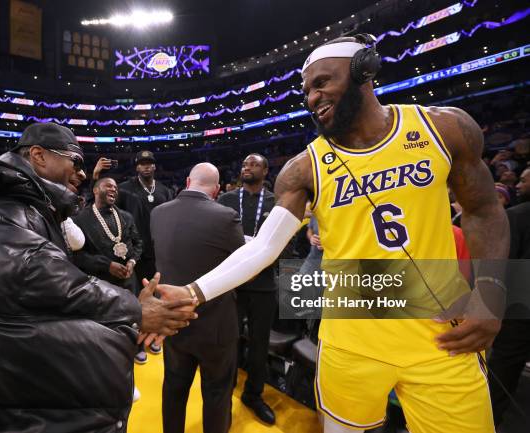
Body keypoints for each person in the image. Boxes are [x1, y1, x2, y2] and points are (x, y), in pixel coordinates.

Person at [155, 35, 509, 433]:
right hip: (349, 341)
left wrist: (491, 292)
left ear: (364, 71)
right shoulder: (303, 168)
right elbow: (264, 248)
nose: (312, 96)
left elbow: (484, 210)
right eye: (306, 89)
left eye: (322, 82)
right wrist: (191, 292)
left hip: (442, 336)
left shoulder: (443, 128)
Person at [0, 122, 196, 433]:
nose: (81, 172)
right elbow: (38, 273)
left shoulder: (21, 205)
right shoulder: (0, 209)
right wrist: (135, 310)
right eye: (75, 161)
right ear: (38, 155)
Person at [151, 163, 245, 433]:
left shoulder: (158, 213)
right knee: (217, 395)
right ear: (216, 190)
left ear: (188, 180)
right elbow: (243, 265)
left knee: (173, 389)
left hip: (173, 323)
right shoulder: (227, 217)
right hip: (216, 326)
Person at [218, 153, 278, 424]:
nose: (246, 167)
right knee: (228, 341)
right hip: (232, 282)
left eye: (253, 164)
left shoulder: (277, 203)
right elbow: (217, 239)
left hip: (263, 284)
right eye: (243, 164)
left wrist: (258, 265)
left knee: (259, 344)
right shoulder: (226, 200)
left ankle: (254, 395)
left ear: (265, 171)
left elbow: (286, 242)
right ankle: (224, 394)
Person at [118, 150, 174, 360]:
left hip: (159, 252)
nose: (146, 166)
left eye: (149, 163)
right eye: (142, 163)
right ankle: (137, 344)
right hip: (134, 254)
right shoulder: (125, 189)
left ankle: (153, 335)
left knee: (157, 298)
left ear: (155, 166)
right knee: (136, 300)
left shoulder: (164, 191)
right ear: (136, 167)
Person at [488, 167, 530, 426]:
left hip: (519, 310)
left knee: (502, 376)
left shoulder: (516, 216)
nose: (520, 184)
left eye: (525, 180)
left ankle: (487, 424)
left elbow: (502, 265)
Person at [73, 177, 142, 292]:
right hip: (100, 285)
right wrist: (107, 265)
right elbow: (77, 256)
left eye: (115, 187)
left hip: (129, 283)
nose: (114, 189)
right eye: (109, 186)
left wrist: (132, 261)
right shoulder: (80, 219)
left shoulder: (126, 216)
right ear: (95, 190)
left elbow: (138, 243)